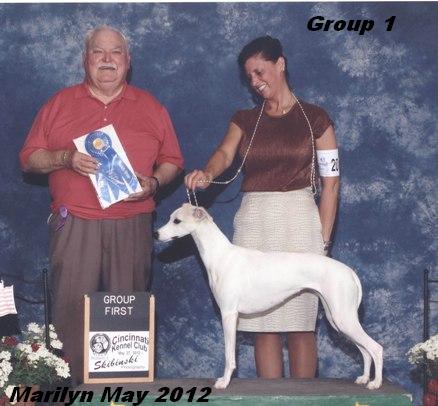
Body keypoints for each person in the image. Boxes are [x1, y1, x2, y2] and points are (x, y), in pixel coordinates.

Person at [19, 25, 184, 385]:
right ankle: (71, 391)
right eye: (98, 52)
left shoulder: (151, 106)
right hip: (74, 223)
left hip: (132, 222)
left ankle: (122, 393)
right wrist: (65, 157)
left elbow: (172, 160)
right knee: (71, 314)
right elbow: (29, 158)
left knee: (127, 316)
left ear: (128, 61)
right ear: (85, 59)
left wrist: (155, 182)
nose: (107, 60)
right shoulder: (59, 103)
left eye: (115, 52)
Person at [185, 36, 340, 379]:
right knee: (262, 327)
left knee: (301, 324)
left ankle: (304, 400)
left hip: (300, 222)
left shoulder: (316, 118)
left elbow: (331, 184)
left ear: (280, 64)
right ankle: (270, 398)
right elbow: (225, 153)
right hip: (254, 222)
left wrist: (324, 241)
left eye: (260, 72)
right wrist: (208, 173)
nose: (255, 82)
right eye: (249, 77)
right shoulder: (244, 119)